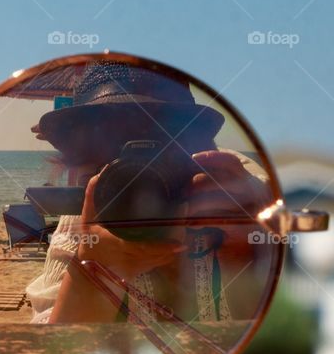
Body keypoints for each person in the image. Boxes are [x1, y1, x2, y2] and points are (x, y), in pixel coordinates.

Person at [25, 61, 272, 324]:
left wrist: (256, 246)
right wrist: (93, 270)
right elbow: (56, 349)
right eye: (111, 148)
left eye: (160, 142)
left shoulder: (231, 187)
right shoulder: (87, 219)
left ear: (195, 148)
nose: (137, 167)